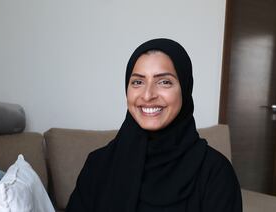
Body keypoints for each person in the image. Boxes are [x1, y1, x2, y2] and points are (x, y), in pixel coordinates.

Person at [66, 38, 242, 212]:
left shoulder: (215, 173)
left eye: (164, 82)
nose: (148, 95)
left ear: (185, 89)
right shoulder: (98, 165)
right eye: (138, 82)